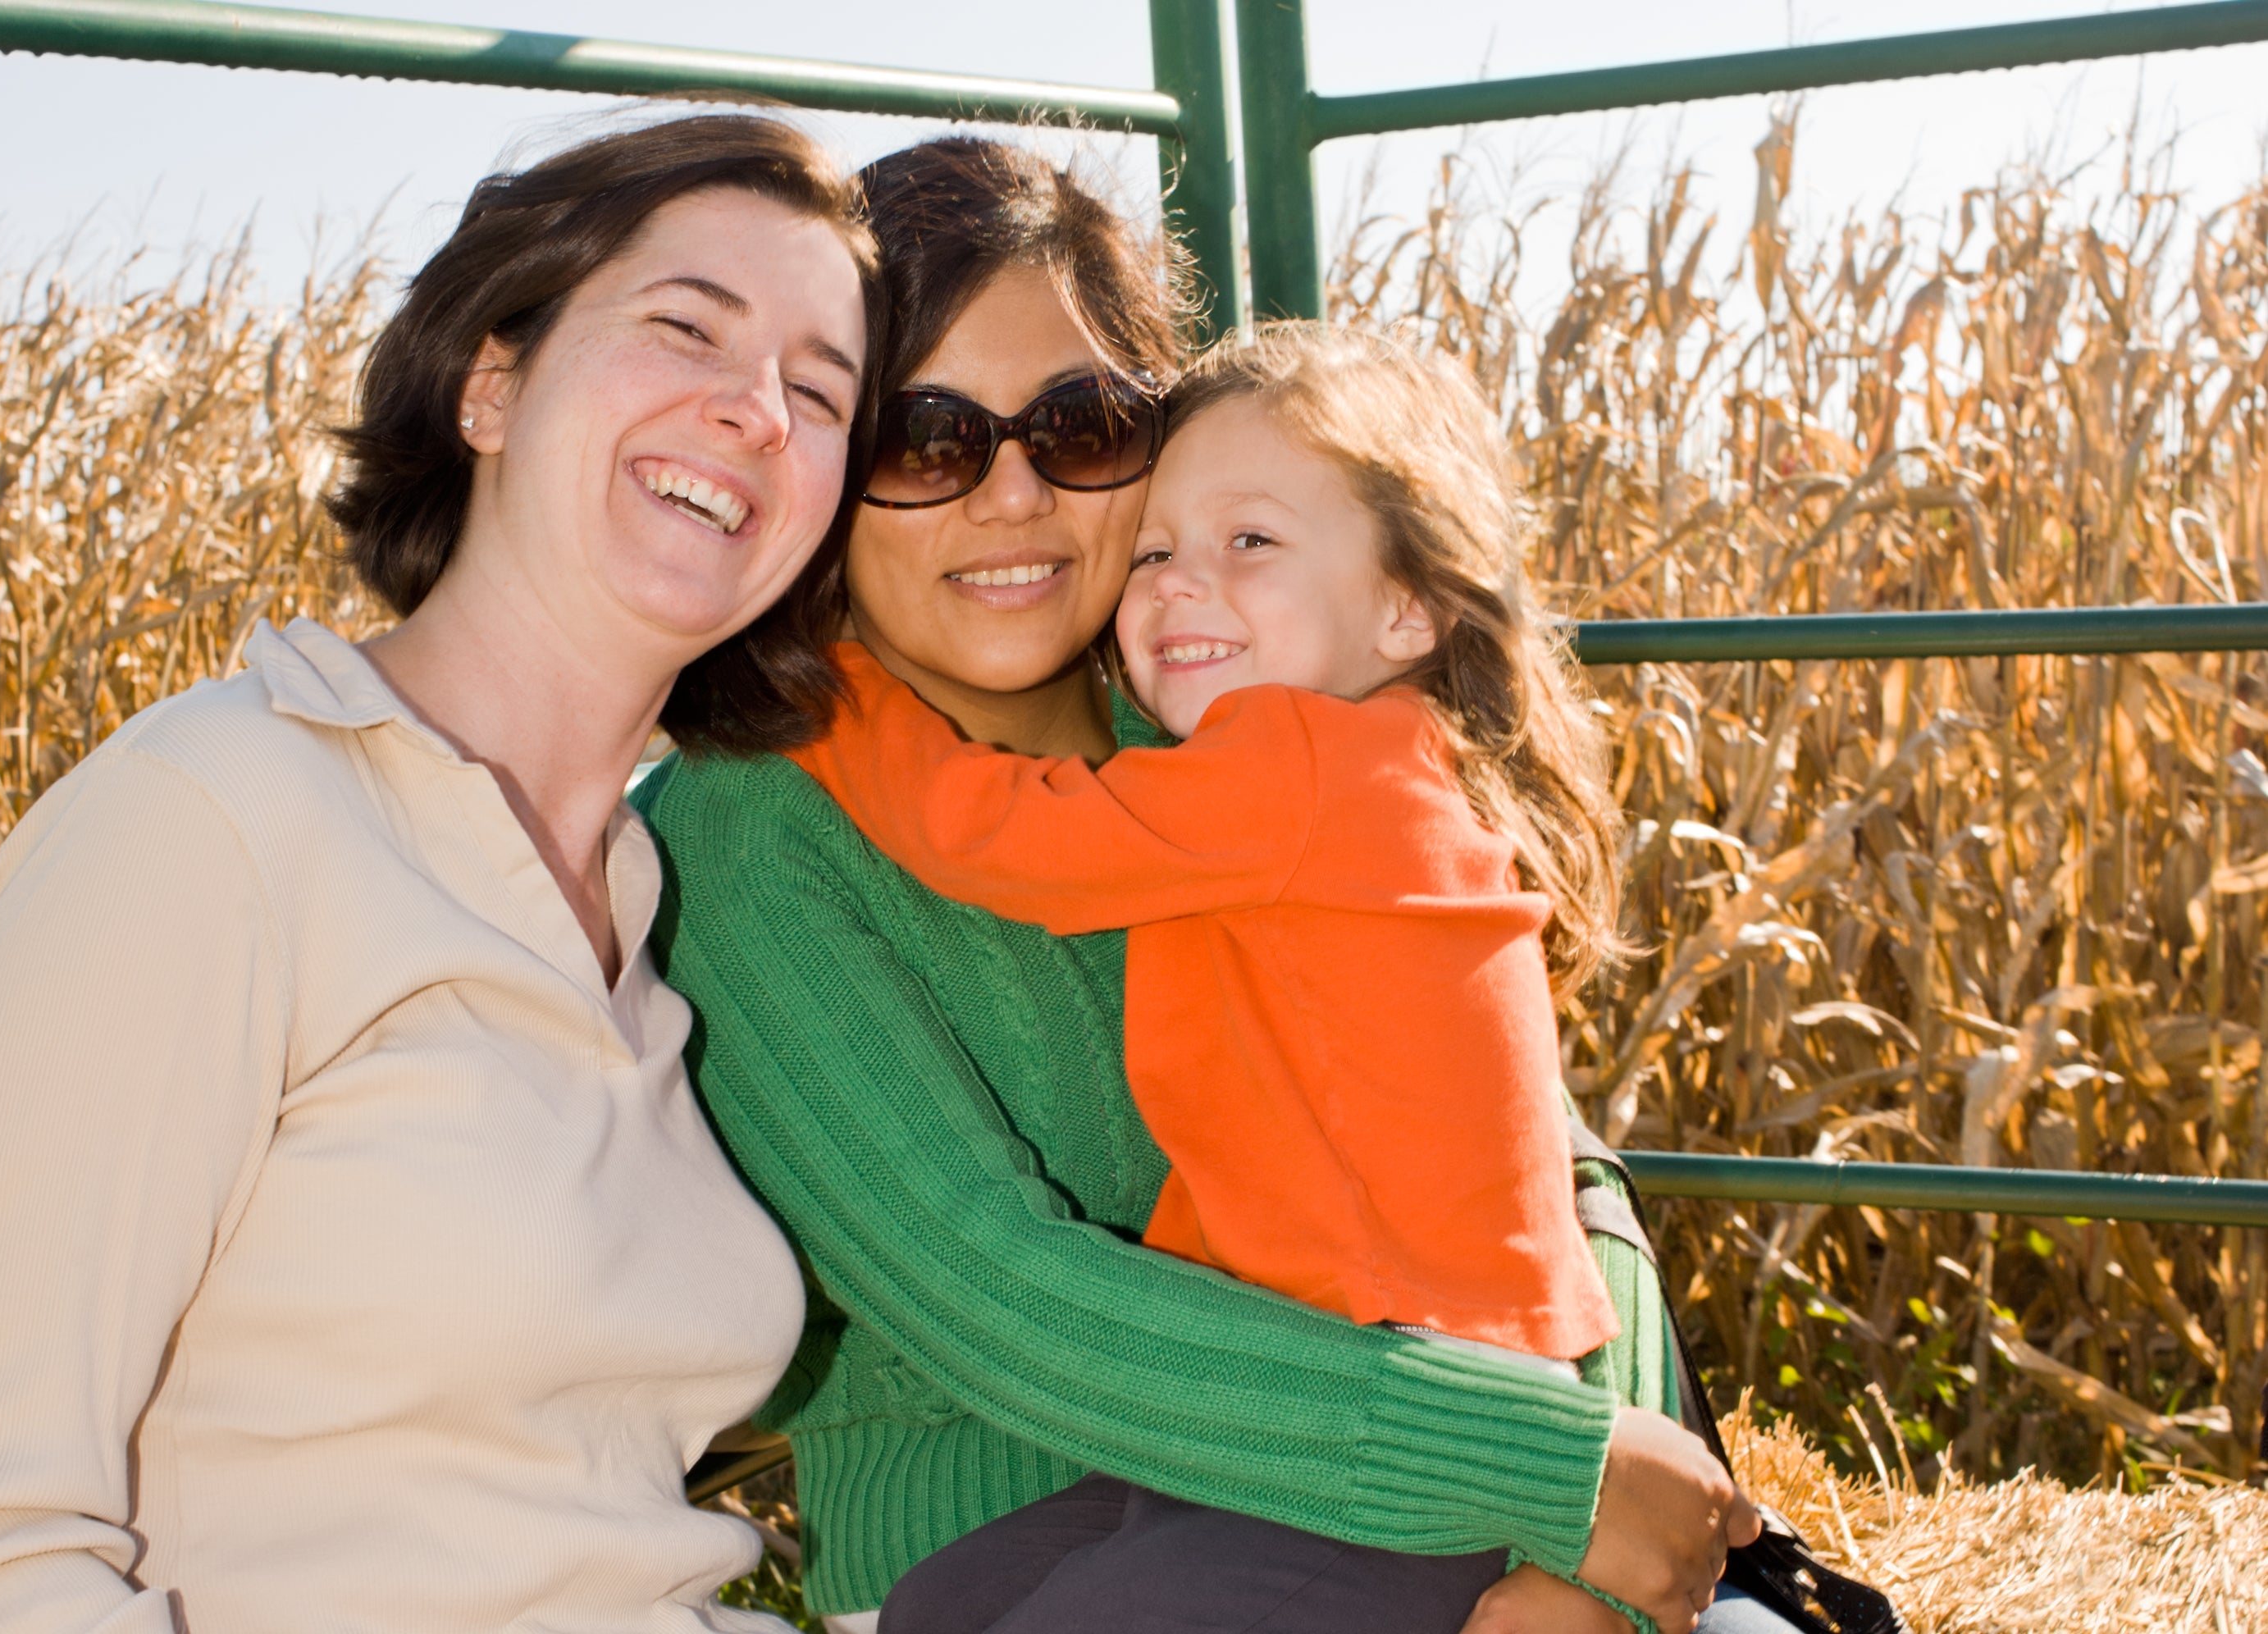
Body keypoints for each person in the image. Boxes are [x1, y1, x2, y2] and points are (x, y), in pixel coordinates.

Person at [638, 137, 1763, 1634]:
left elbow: (1549, 1174)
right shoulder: (752, 826)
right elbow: (1001, 1299)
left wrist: (1582, 1568)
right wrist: (1553, 1480)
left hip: (1446, 1509)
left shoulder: (1254, 735)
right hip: (1019, 1560)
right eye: (925, 438)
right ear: (824, 463)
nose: (1016, 494)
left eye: (1086, 424)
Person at [0, 114, 877, 1634]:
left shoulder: (648, 900)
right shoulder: (218, 819)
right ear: (490, 382)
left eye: (819, 390)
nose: (757, 414)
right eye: (684, 331)